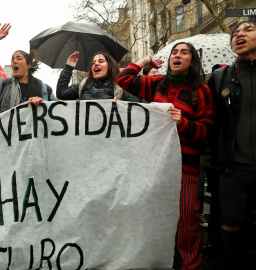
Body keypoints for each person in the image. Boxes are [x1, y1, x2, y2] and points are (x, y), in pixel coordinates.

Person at [117, 42, 214, 270]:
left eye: (184, 52)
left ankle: (191, 263)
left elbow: (206, 132)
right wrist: (144, 62)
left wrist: (184, 123)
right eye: (174, 53)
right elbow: (122, 79)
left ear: (192, 61)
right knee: (155, 218)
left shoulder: (202, 92)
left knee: (187, 224)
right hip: (157, 167)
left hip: (186, 169)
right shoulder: (156, 84)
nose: (177, 56)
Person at [208, 20, 256, 269]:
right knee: (230, 222)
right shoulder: (220, 78)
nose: (239, 34)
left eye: (248, 29)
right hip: (233, 168)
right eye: (235, 32)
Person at [0, 23, 56, 115]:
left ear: (28, 65)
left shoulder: (44, 89)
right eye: (12, 60)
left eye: (19, 58)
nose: (14, 61)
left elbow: (57, 112)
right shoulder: (2, 85)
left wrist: (43, 104)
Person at [56, 51, 146, 102]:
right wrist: (68, 67)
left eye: (101, 61)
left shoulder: (121, 86)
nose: (96, 64)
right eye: (93, 63)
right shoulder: (83, 85)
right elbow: (61, 93)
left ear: (110, 66)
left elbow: (144, 104)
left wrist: (123, 103)